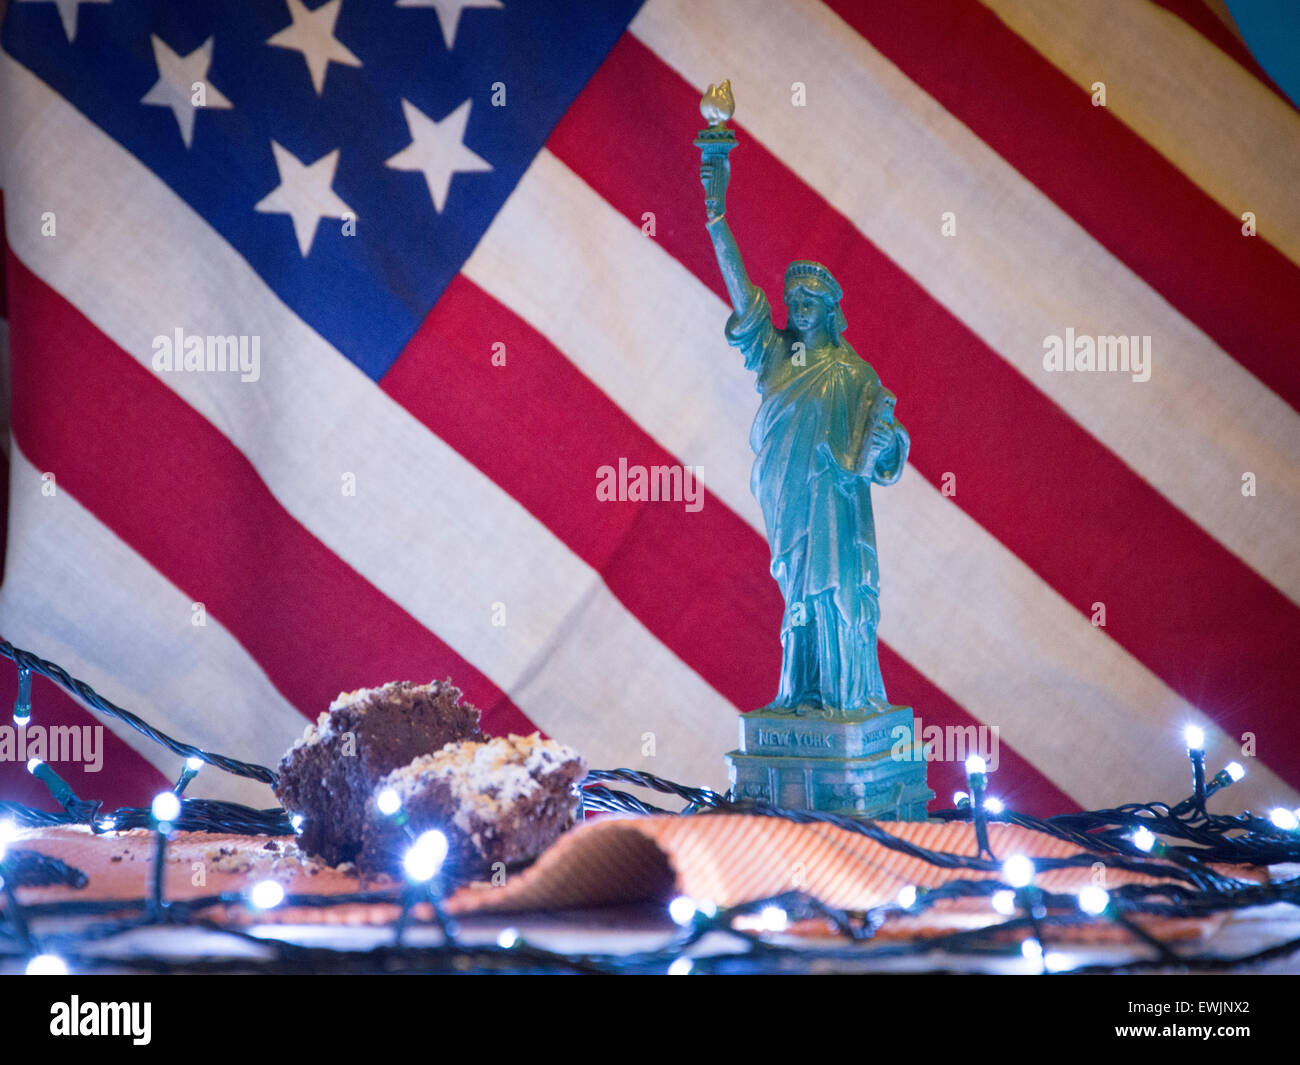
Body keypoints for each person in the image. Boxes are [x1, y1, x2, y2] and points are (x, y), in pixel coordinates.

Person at [702, 156, 908, 714]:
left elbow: (884, 447)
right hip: (789, 496)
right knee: (797, 592)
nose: (797, 309)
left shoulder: (855, 373)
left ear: (831, 311)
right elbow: (744, 299)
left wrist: (888, 447)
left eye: (808, 304)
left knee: (838, 595)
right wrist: (717, 217)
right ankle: (802, 692)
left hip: (838, 505)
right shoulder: (778, 356)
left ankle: (846, 696)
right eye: (793, 302)